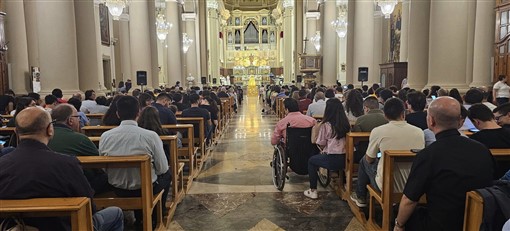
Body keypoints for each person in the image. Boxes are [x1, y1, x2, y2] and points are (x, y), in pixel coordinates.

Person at [0, 107, 123, 231]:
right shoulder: (67, 164)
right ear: (50, 130)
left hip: (17, 228)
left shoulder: (2, 164)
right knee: (115, 213)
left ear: (16, 132)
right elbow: (88, 206)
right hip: (65, 227)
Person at [394, 97, 494, 231]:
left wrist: (398, 225)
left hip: (441, 224)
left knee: (399, 212)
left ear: (431, 120)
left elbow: (409, 200)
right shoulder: (482, 149)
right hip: (481, 220)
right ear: (460, 121)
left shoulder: (429, 154)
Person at [99, 96, 170, 225]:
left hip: (117, 188)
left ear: (117, 113)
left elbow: (104, 167)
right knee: (167, 175)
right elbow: (162, 168)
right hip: (146, 188)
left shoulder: (105, 136)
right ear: (138, 112)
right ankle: (156, 214)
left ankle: (139, 218)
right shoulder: (150, 136)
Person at [350, 98, 424, 208]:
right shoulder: (419, 131)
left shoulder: (378, 131)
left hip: (386, 185)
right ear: (403, 113)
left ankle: (360, 196)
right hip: (414, 185)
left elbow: (369, 159)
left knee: (363, 161)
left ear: (385, 115)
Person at [47, 104, 109, 194]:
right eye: (78, 117)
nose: (79, 120)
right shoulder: (80, 139)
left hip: (51, 186)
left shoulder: (45, 137)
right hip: (77, 187)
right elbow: (100, 164)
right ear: (70, 120)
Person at [304, 98, 350, 199]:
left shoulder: (326, 125)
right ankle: (345, 183)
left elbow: (321, 143)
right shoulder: (347, 124)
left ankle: (313, 190)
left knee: (312, 161)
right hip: (347, 158)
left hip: (333, 159)